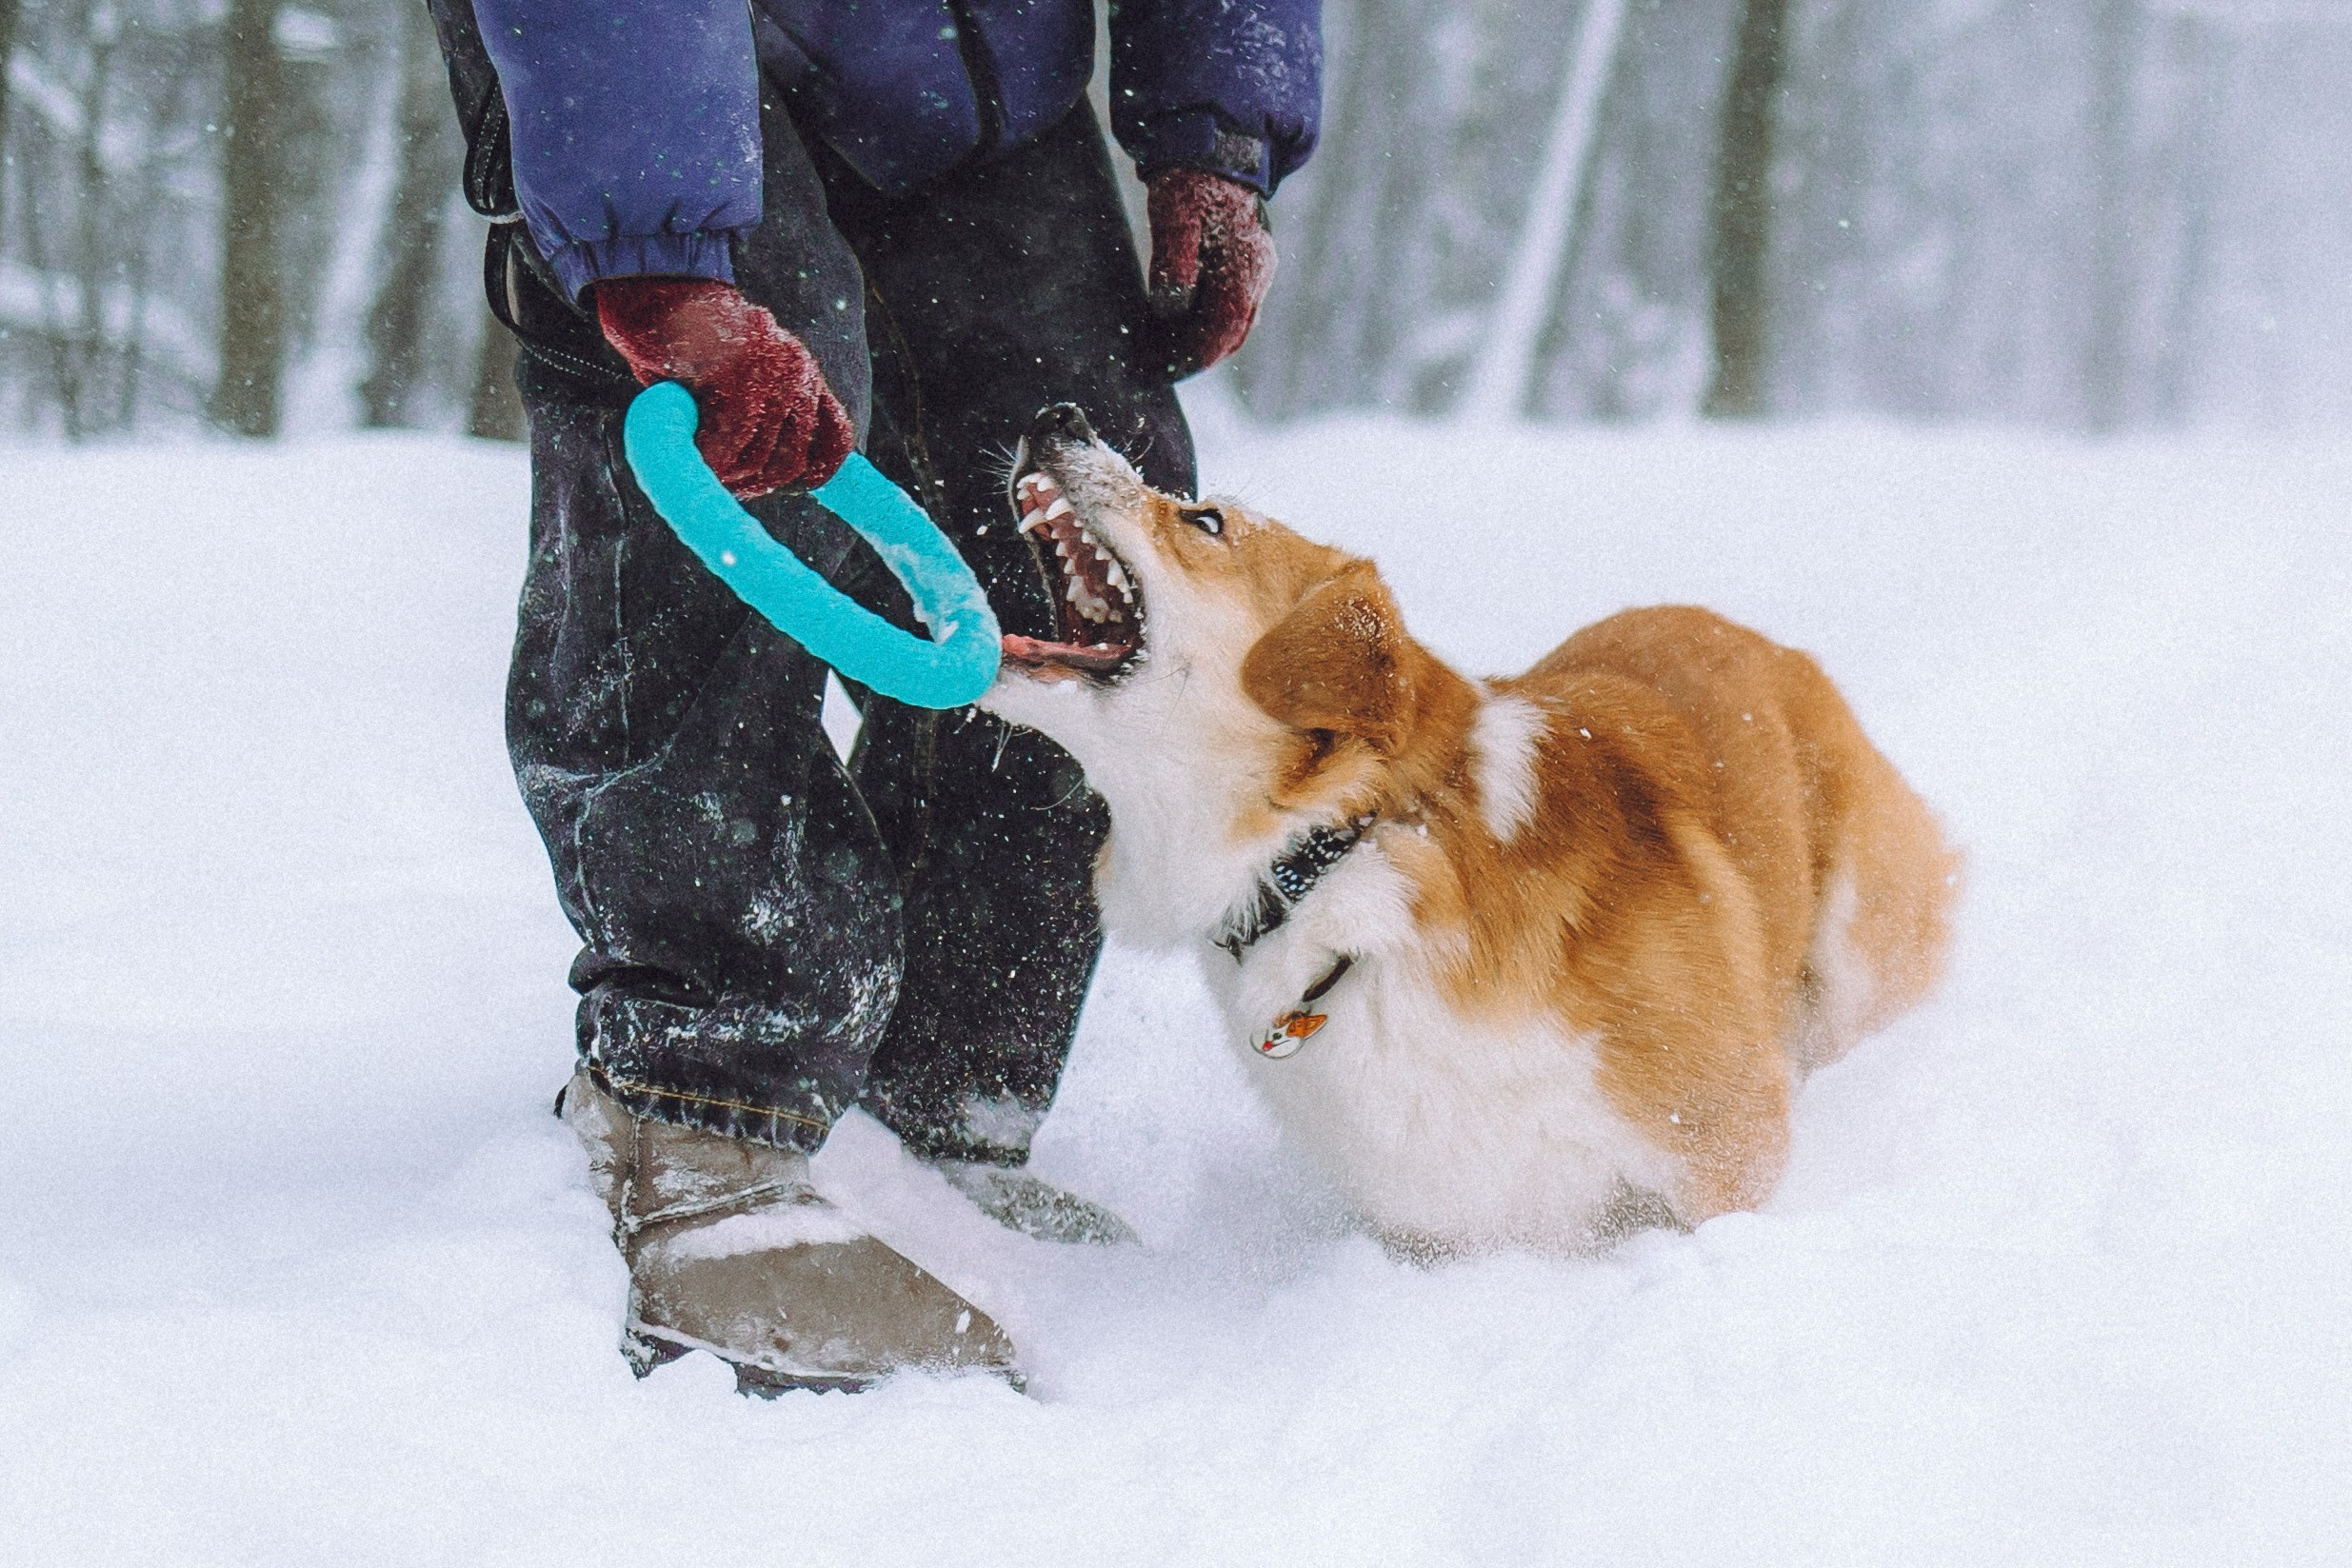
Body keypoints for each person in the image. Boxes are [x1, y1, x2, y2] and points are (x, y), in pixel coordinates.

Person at [424, 0, 1322, 1392]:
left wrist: (1217, 126)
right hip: (658, 56)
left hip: (977, 56)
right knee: (739, 445)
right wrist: (656, 248)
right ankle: (699, 1109)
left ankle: (945, 1105)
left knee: (1074, 495)